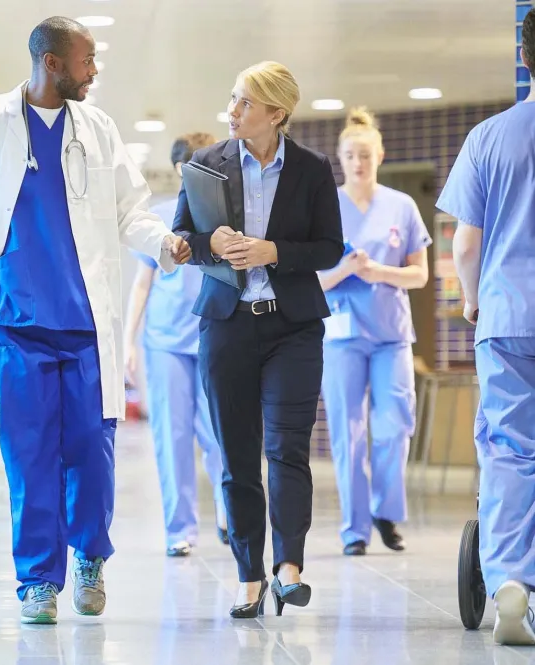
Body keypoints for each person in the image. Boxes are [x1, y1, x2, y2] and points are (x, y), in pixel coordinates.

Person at [0, 16, 191, 624]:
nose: (94, 70)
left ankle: (89, 559)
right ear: (51, 62)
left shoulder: (97, 129)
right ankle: (36, 583)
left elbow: (131, 212)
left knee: (91, 453)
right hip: (15, 326)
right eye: (86, 60)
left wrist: (165, 244)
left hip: (84, 326)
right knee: (30, 457)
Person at [172, 61, 343, 619]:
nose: (233, 111)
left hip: (292, 326)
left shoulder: (313, 170)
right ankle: (250, 574)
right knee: (238, 456)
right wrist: (209, 243)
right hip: (227, 326)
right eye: (233, 99)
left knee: (287, 447)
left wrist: (275, 252)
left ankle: (288, 567)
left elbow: (328, 249)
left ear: (277, 112)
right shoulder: (205, 164)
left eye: (245, 103)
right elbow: (181, 239)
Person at [436, 7, 535, 647]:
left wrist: (473, 301)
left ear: (525, 58)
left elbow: (464, 245)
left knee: (508, 450)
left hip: (507, 318)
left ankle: (510, 585)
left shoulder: (489, 137)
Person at [317, 108, 431, 557]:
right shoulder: (326, 208)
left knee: (394, 427)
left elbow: (419, 275)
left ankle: (386, 509)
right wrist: (344, 269)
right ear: (340, 159)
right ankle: (354, 529)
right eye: (350, 155)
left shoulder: (401, 206)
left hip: (391, 336)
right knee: (349, 433)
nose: (358, 163)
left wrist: (377, 270)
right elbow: (310, 280)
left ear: (379, 154)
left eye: (365, 154)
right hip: (341, 337)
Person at [124, 131, 228, 558]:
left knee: (221, 435)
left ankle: (229, 514)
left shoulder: (225, 217)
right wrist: (128, 342)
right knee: (173, 435)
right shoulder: (161, 218)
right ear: (180, 170)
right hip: (166, 342)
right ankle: (179, 530)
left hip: (214, 338)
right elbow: (143, 283)